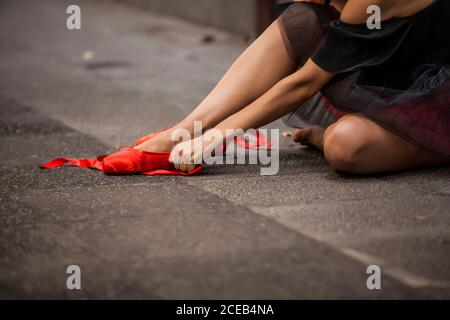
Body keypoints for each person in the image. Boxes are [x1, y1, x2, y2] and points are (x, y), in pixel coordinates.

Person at [134, 0, 450, 174]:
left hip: (439, 93)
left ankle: (435, 145)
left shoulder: (366, 4)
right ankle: (185, 128)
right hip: (397, 69)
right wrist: (196, 131)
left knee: (345, 146)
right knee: (302, 18)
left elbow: (302, 85)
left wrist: (218, 136)